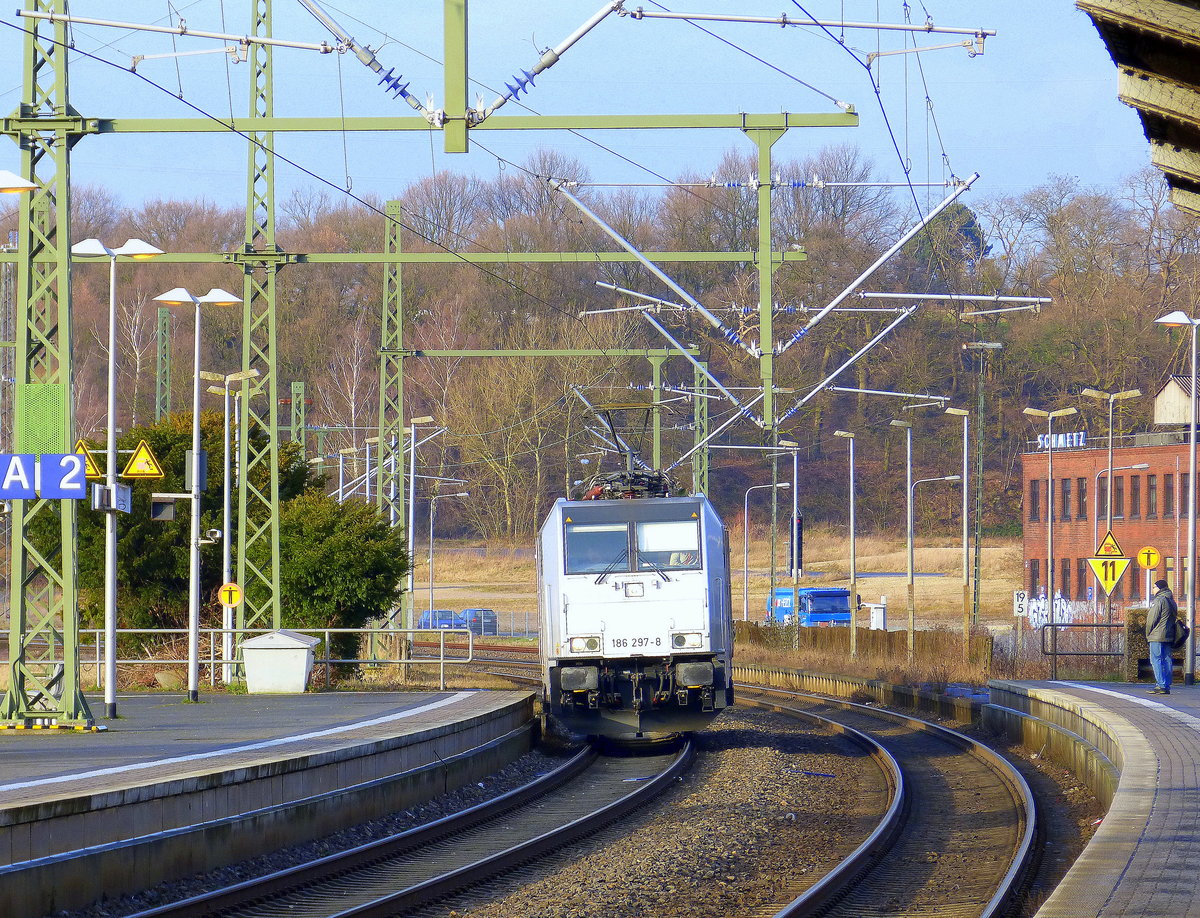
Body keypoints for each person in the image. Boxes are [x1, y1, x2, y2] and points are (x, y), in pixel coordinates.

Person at [1146, 579, 1178, 695]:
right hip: (1169, 634)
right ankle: (1167, 684)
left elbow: (1151, 619)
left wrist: (1148, 633)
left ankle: (1161, 684)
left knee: (1156, 659)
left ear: (1159, 588)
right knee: (1167, 659)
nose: (1153, 590)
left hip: (1157, 635)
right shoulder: (1171, 600)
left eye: (1154, 587)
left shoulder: (1159, 600)